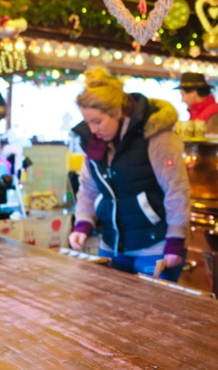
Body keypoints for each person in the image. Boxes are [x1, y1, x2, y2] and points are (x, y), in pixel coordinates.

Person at [68, 67, 191, 282]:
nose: (92, 129)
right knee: (108, 309)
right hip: (111, 244)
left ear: (116, 113)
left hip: (155, 245)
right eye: (87, 122)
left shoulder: (156, 135)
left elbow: (176, 189)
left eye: (97, 121)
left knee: (151, 313)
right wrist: (83, 221)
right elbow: (88, 187)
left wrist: (175, 238)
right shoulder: (94, 141)